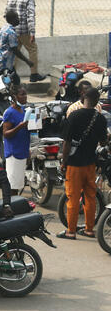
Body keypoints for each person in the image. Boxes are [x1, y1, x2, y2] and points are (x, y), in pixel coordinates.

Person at [60, 88, 107, 239]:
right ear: (97, 101)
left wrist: (64, 161)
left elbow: (67, 143)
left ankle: (71, 231)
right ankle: (89, 230)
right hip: (91, 164)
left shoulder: (74, 116)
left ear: (82, 97)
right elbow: (103, 141)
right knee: (90, 196)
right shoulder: (100, 118)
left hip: (74, 164)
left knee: (73, 197)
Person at [5, 0, 43, 82]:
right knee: (32, 49)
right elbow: (30, 16)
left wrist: (9, 27)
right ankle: (34, 74)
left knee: (14, 52)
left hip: (13, 30)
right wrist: (32, 32)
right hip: (24, 30)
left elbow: (6, 13)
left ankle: (11, 75)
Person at [1, 85, 31, 194]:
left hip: (22, 151)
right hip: (14, 153)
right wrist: (19, 126)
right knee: (12, 186)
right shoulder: (9, 112)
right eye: (22, 94)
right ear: (14, 96)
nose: (25, 96)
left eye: (25, 94)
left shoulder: (24, 111)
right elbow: (6, 133)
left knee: (18, 184)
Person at [0, 10, 29, 85]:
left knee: (12, 80)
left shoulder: (4, 28)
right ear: (13, 20)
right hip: (6, 63)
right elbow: (15, 50)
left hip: (2, 61)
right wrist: (27, 61)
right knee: (3, 83)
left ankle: (11, 90)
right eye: (17, 18)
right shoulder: (11, 32)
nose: (18, 19)